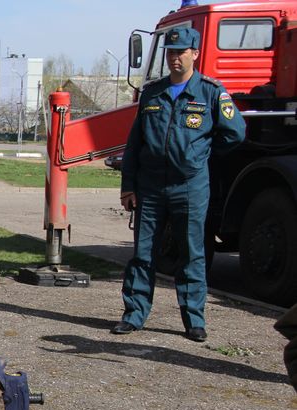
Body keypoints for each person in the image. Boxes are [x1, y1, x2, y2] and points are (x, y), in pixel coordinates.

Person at [111, 26, 245, 342]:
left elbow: (235, 132)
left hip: (190, 186)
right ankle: (134, 315)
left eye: (181, 52)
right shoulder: (153, 94)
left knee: (191, 253)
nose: (174, 58)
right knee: (143, 253)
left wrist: (201, 155)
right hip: (151, 187)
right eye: (171, 52)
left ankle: (194, 321)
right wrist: (128, 186)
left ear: (195, 53)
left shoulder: (210, 92)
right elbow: (135, 144)